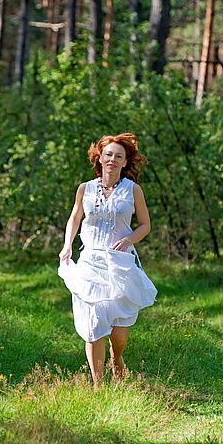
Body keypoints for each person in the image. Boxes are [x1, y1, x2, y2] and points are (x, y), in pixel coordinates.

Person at [58, 132, 157, 388]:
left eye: (119, 156)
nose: (112, 159)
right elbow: (74, 219)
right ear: (100, 158)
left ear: (125, 162)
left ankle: (118, 358)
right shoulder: (85, 189)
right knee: (94, 325)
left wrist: (129, 240)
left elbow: (145, 225)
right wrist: (67, 246)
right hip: (90, 262)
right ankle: (98, 387)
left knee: (119, 333)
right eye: (108, 154)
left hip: (119, 263)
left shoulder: (133, 190)